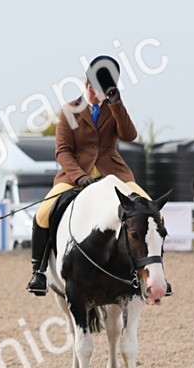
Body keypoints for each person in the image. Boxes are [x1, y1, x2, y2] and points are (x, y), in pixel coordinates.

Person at [27, 55, 155, 295]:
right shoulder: (70, 110)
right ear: (85, 82)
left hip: (113, 174)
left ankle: (153, 273)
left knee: (151, 209)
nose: (97, 95)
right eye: (93, 89)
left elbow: (129, 135)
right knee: (43, 213)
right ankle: (39, 271)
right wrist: (79, 176)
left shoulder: (113, 108)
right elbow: (63, 151)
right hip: (75, 175)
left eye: (102, 91)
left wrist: (116, 104)